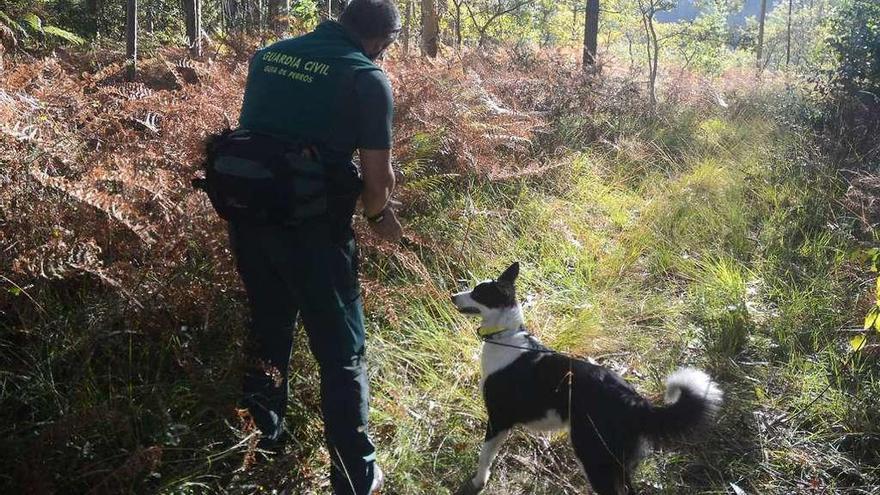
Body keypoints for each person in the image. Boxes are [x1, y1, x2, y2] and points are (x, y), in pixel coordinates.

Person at [229, 1, 402, 493]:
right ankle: (354, 476)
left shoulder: (269, 55)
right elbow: (377, 180)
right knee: (342, 354)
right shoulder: (366, 78)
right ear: (381, 39)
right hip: (315, 237)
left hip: (249, 222)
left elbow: (269, 137)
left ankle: (260, 443)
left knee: (268, 330)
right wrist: (378, 215)